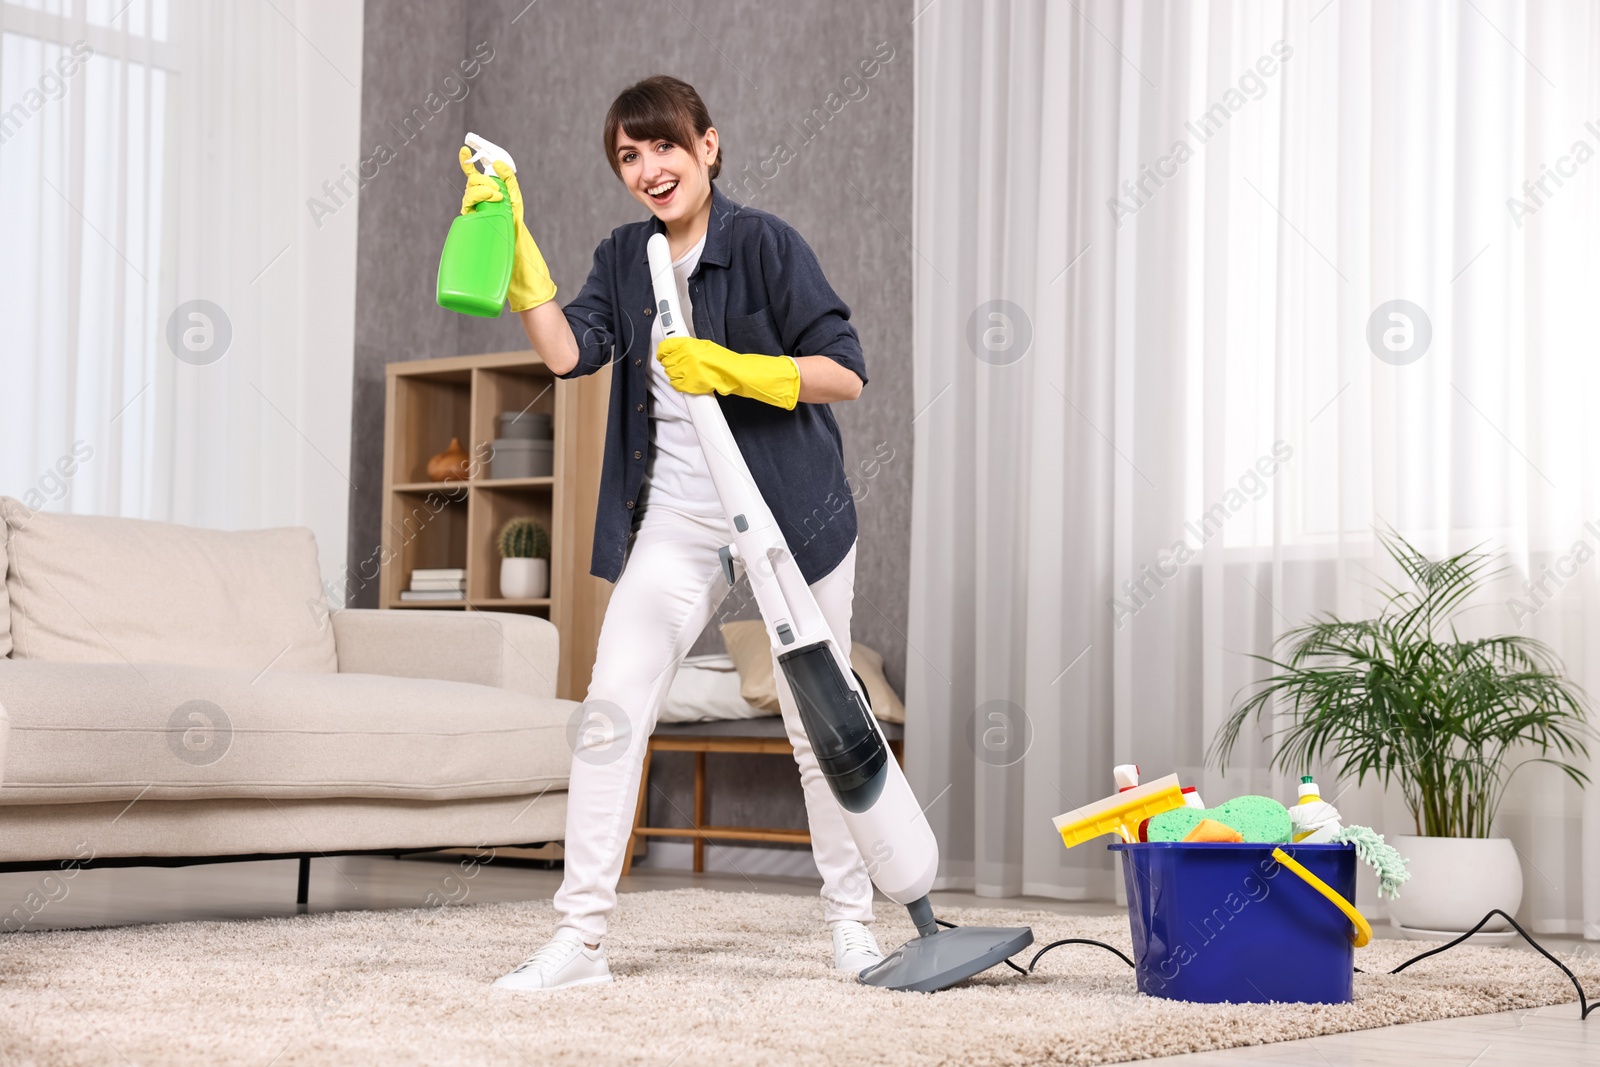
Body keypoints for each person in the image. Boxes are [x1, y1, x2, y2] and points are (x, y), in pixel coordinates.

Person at [459, 75, 882, 992]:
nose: (651, 169)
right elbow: (569, 353)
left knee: (822, 725)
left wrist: (734, 367)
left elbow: (845, 372)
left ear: (708, 147)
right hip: (681, 513)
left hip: (788, 510)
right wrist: (522, 252)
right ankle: (580, 940)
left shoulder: (765, 243)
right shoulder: (623, 257)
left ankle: (854, 924)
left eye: (665, 148)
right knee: (611, 707)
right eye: (630, 156)